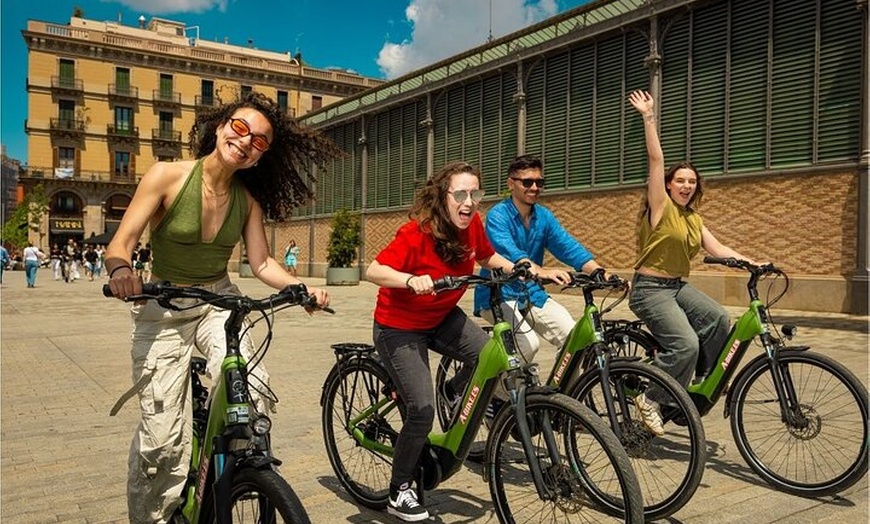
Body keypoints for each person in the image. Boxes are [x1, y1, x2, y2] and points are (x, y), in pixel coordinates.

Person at [103, 91, 338, 523]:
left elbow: (263, 263)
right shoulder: (167, 175)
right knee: (162, 443)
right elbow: (121, 243)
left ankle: (232, 470)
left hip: (219, 301)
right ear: (220, 127)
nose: (246, 140)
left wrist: (302, 287)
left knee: (254, 393)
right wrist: (121, 272)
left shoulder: (247, 201)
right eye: (241, 127)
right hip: (164, 304)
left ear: (260, 155)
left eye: (260, 140)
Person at [366, 161, 516, 522]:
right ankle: (399, 490)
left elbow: (485, 255)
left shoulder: (472, 226)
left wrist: (520, 267)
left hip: (441, 317)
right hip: (398, 327)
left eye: (475, 194)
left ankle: (453, 390)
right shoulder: (417, 232)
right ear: (443, 196)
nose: (469, 202)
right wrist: (408, 280)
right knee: (421, 410)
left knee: (489, 356)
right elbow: (373, 270)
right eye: (460, 194)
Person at [627, 90, 760, 430]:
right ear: (669, 185)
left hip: (676, 286)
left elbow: (718, 249)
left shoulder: (693, 219)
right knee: (684, 343)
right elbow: (656, 160)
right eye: (680, 180)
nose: (686, 186)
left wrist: (753, 262)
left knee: (717, 318)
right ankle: (651, 396)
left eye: (691, 181)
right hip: (649, 289)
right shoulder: (661, 207)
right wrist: (648, 116)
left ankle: (702, 382)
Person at [473, 154, 612, 367]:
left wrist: (597, 271)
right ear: (511, 184)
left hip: (531, 292)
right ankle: (492, 391)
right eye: (527, 182)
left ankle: (560, 398)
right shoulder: (497, 216)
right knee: (527, 345)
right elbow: (509, 251)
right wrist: (538, 270)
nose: (534, 187)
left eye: (540, 182)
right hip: (498, 295)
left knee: (574, 338)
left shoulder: (544, 216)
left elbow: (567, 245)